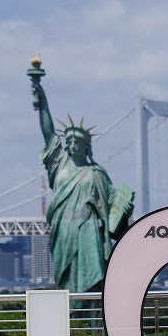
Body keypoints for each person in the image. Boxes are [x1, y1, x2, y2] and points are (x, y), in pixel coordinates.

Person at [29, 59, 133, 293]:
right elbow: (47, 130)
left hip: (90, 235)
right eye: (70, 141)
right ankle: (73, 326)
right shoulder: (60, 163)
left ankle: (94, 327)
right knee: (66, 284)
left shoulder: (97, 174)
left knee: (94, 285)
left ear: (87, 147)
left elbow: (114, 207)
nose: (73, 144)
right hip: (64, 232)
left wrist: (124, 208)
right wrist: (38, 89)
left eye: (79, 141)